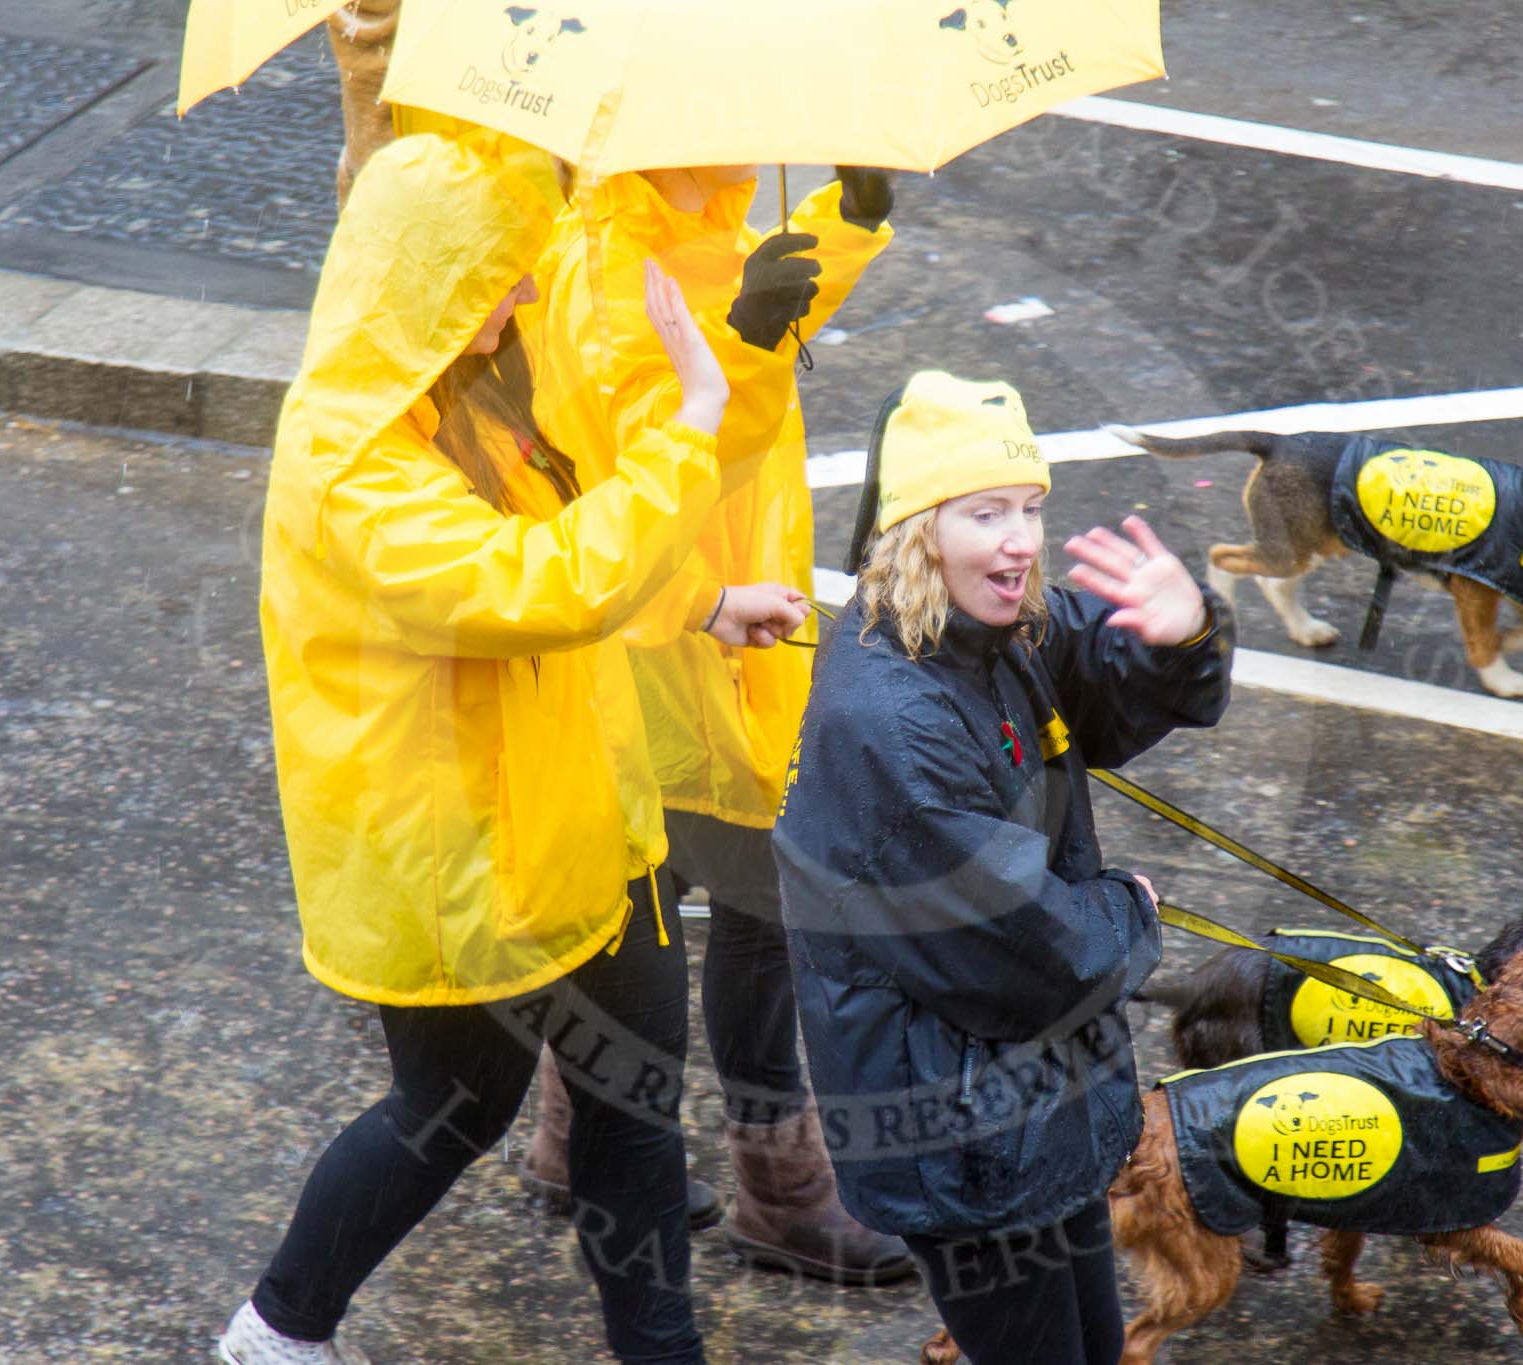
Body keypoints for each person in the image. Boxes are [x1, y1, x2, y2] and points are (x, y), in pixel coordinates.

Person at [218, 130, 769, 1365]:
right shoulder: (347, 463)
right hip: (458, 856)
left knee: (633, 1106)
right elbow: (533, 586)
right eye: (498, 274)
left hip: (580, 811)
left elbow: (578, 531)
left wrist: (696, 603)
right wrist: (692, 426)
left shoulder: (478, 385)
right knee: (452, 1108)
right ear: (428, 281)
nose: (524, 293)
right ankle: (279, 1326)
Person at [771, 372, 1235, 1364]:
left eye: (1028, 508)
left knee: (1089, 1340)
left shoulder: (988, 622)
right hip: (960, 1138)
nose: (1020, 540)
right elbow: (1026, 949)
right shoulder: (890, 722)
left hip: (1026, 1107)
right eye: (985, 513)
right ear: (916, 530)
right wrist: (1130, 911)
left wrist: (1178, 636)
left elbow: (1099, 688)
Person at [515, 164, 913, 1283]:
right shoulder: (604, 263)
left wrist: (847, 217)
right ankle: (779, 1193)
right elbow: (654, 455)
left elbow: (759, 312)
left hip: (731, 612)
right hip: (679, 634)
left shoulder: (688, 218)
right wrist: (742, 337)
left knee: (662, 890)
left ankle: (565, 1136)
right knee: (752, 903)